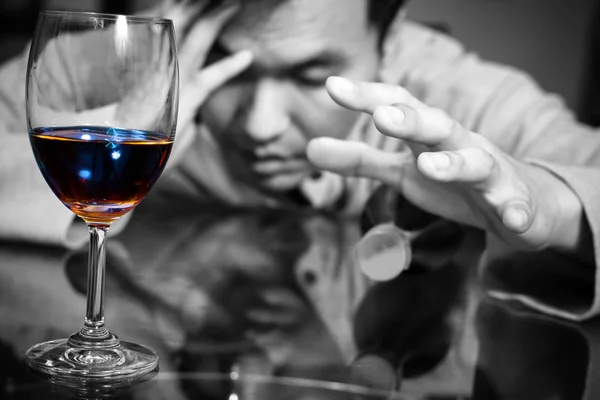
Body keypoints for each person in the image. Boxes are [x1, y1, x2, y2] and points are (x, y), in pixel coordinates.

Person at [0, 0, 599, 318]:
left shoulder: (458, 94)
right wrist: (126, 121)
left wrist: (555, 204)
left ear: (389, 46)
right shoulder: (123, 57)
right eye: (230, 68)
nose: (262, 125)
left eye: (315, 75)